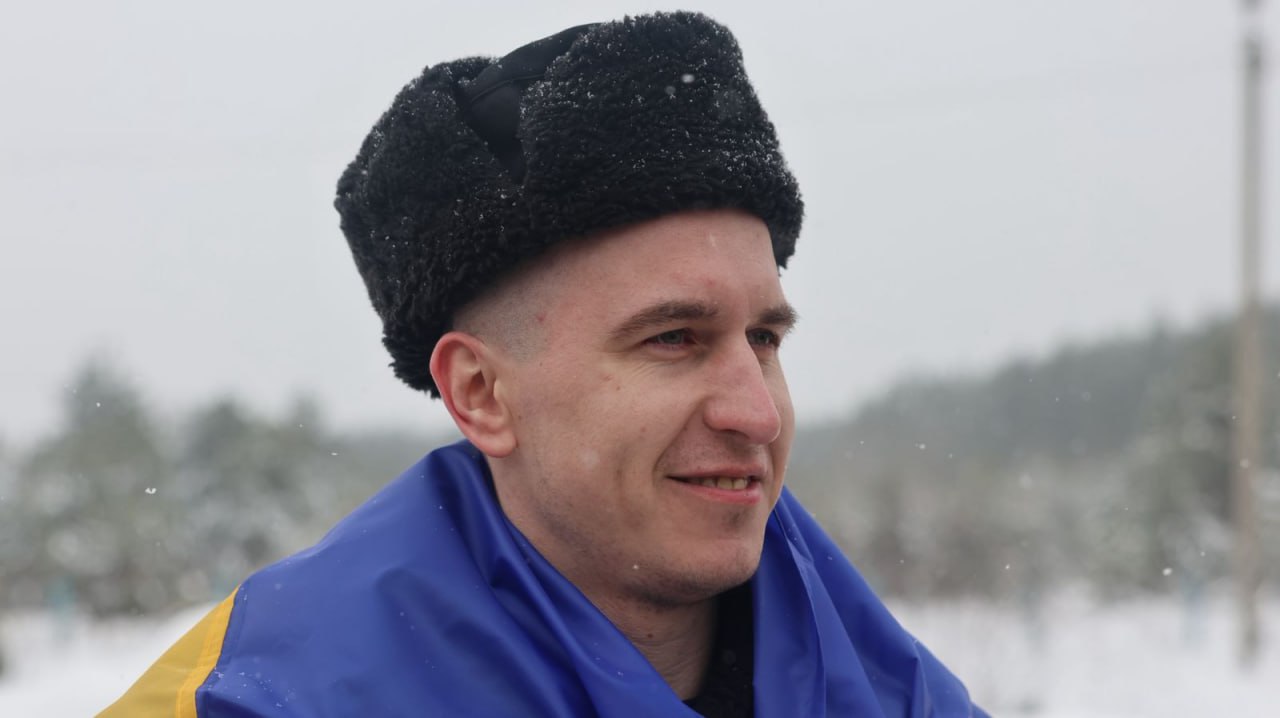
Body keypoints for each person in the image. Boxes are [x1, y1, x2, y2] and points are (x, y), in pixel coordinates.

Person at [102, 12, 987, 717]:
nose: (755, 413)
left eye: (764, 338)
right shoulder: (264, 701)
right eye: (673, 339)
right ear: (481, 394)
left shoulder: (888, 690)